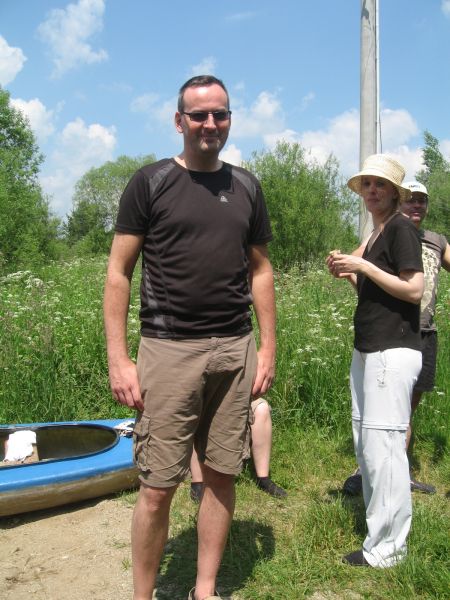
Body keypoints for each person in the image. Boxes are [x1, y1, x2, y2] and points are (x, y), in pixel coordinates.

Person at [103, 75, 276, 600]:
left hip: (235, 349)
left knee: (221, 475)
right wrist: (119, 358)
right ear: (179, 121)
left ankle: (205, 589)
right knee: (158, 488)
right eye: (199, 115)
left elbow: (261, 270)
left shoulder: (246, 186)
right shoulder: (150, 182)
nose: (210, 124)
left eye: (220, 114)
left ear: (230, 120)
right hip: (169, 350)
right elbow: (118, 272)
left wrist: (268, 347)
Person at [327, 154, 424, 568]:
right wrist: (350, 272)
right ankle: (379, 532)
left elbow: (414, 289)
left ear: (395, 192)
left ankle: (388, 550)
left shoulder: (401, 228)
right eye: (367, 183)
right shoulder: (376, 232)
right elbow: (377, 292)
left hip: (392, 351)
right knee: (368, 444)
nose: (371, 190)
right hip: (368, 349)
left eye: (380, 184)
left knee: (384, 448)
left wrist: (362, 264)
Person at [342, 180, 450, 496]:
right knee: (383, 412)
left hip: (423, 330)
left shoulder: (435, 240)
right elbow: (353, 266)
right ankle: (372, 473)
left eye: (422, 200)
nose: (416, 205)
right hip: (392, 332)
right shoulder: (386, 232)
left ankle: (396, 473)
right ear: (400, 201)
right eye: (411, 199)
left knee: (405, 409)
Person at [190, 398, 287, 501]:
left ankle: (263, 479)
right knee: (197, 410)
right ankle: (198, 481)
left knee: (261, 408)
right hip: (206, 398)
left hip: (237, 398)